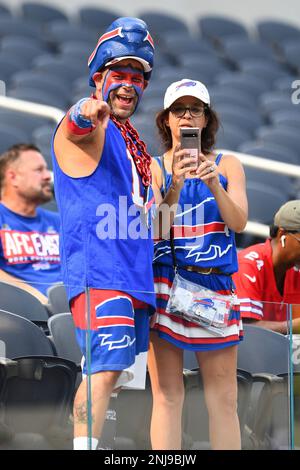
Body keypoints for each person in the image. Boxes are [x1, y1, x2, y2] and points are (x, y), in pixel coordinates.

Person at [51, 17, 190, 451]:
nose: (128, 84)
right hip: (99, 270)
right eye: (119, 75)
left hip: (134, 274)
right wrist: (84, 110)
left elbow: (158, 218)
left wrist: (175, 186)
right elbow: (77, 123)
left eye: (137, 77)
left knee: (114, 379)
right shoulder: (90, 126)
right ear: (99, 79)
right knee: (102, 371)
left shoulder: (137, 147)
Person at [147, 78, 248, 450]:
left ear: (206, 119)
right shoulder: (155, 168)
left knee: (223, 400)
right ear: (166, 121)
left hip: (214, 287)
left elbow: (238, 223)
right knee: (168, 396)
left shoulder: (229, 164)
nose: (187, 116)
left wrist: (215, 184)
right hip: (166, 285)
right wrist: (174, 185)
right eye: (178, 109)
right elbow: (156, 228)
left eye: (195, 109)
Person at [0, 143, 61, 304]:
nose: (48, 176)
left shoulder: (59, 221)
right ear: (13, 177)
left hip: (70, 306)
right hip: (26, 311)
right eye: (39, 170)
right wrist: (35, 297)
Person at [233, 200, 300, 334]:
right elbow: (246, 329)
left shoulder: (295, 270)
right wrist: (292, 326)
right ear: (282, 235)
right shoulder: (247, 265)